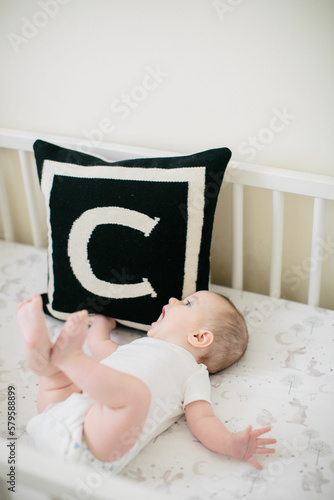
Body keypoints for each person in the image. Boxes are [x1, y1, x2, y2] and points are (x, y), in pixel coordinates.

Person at [17, 291, 276, 473]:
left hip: (95, 446)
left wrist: (229, 443)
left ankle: (66, 359)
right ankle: (41, 351)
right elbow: (99, 346)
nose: (174, 299)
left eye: (188, 303)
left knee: (135, 396)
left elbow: (203, 420)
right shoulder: (138, 346)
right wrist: (101, 322)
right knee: (58, 381)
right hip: (58, 414)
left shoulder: (193, 372)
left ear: (199, 337)